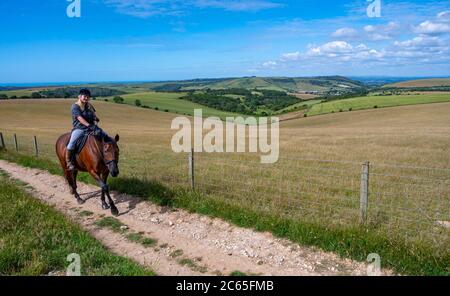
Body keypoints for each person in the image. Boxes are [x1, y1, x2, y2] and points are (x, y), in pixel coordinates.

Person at [66, 89, 109, 170]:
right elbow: (80, 118)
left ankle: (109, 159)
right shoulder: (74, 107)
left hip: (92, 127)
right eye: (85, 96)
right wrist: (89, 125)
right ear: (79, 96)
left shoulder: (89, 105)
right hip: (79, 128)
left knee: (106, 136)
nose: (86, 98)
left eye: (88, 97)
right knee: (72, 142)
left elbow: (94, 116)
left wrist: (95, 121)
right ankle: (69, 162)